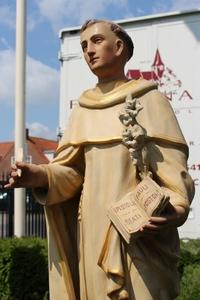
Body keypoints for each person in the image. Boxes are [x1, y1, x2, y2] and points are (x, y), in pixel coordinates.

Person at [6, 19, 195, 300]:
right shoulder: (82, 109)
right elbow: (71, 175)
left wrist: (176, 208)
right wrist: (40, 176)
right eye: (83, 46)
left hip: (138, 232)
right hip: (93, 230)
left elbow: (173, 172)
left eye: (96, 41)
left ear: (118, 47)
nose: (88, 51)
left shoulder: (151, 100)